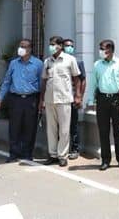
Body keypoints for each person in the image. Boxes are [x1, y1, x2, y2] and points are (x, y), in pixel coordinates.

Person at [0, 39, 43, 163]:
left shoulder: (38, 64)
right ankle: (14, 153)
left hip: (31, 99)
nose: (21, 49)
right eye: (20, 46)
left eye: (24, 47)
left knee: (29, 127)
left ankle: (27, 153)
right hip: (15, 99)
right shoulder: (13, 63)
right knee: (14, 127)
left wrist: (41, 101)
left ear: (30, 49)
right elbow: (6, 81)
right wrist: (0, 98)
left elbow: (42, 84)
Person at [86, 39, 119, 171]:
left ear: (111, 50)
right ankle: (105, 160)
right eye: (100, 48)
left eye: (103, 48)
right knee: (103, 130)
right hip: (102, 100)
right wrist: (91, 101)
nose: (101, 51)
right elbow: (93, 83)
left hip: (117, 99)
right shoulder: (97, 65)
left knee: (118, 130)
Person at [40, 36, 81, 167]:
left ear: (60, 46)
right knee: (51, 129)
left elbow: (77, 79)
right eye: (50, 44)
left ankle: (62, 155)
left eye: (53, 44)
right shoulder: (47, 61)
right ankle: (52, 154)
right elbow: (44, 80)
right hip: (49, 99)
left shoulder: (70, 60)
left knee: (64, 130)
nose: (51, 46)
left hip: (64, 99)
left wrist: (78, 95)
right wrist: (42, 99)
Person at [62, 38, 86, 160]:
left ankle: (75, 149)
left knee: (73, 125)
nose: (69, 48)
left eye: (71, 46)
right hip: (61, 97)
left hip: (73, 97)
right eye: (66, 46)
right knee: (61, 125)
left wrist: (79, 96)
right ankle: (61, 150)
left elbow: (83, 81)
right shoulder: (58, 62)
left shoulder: (78, 62)